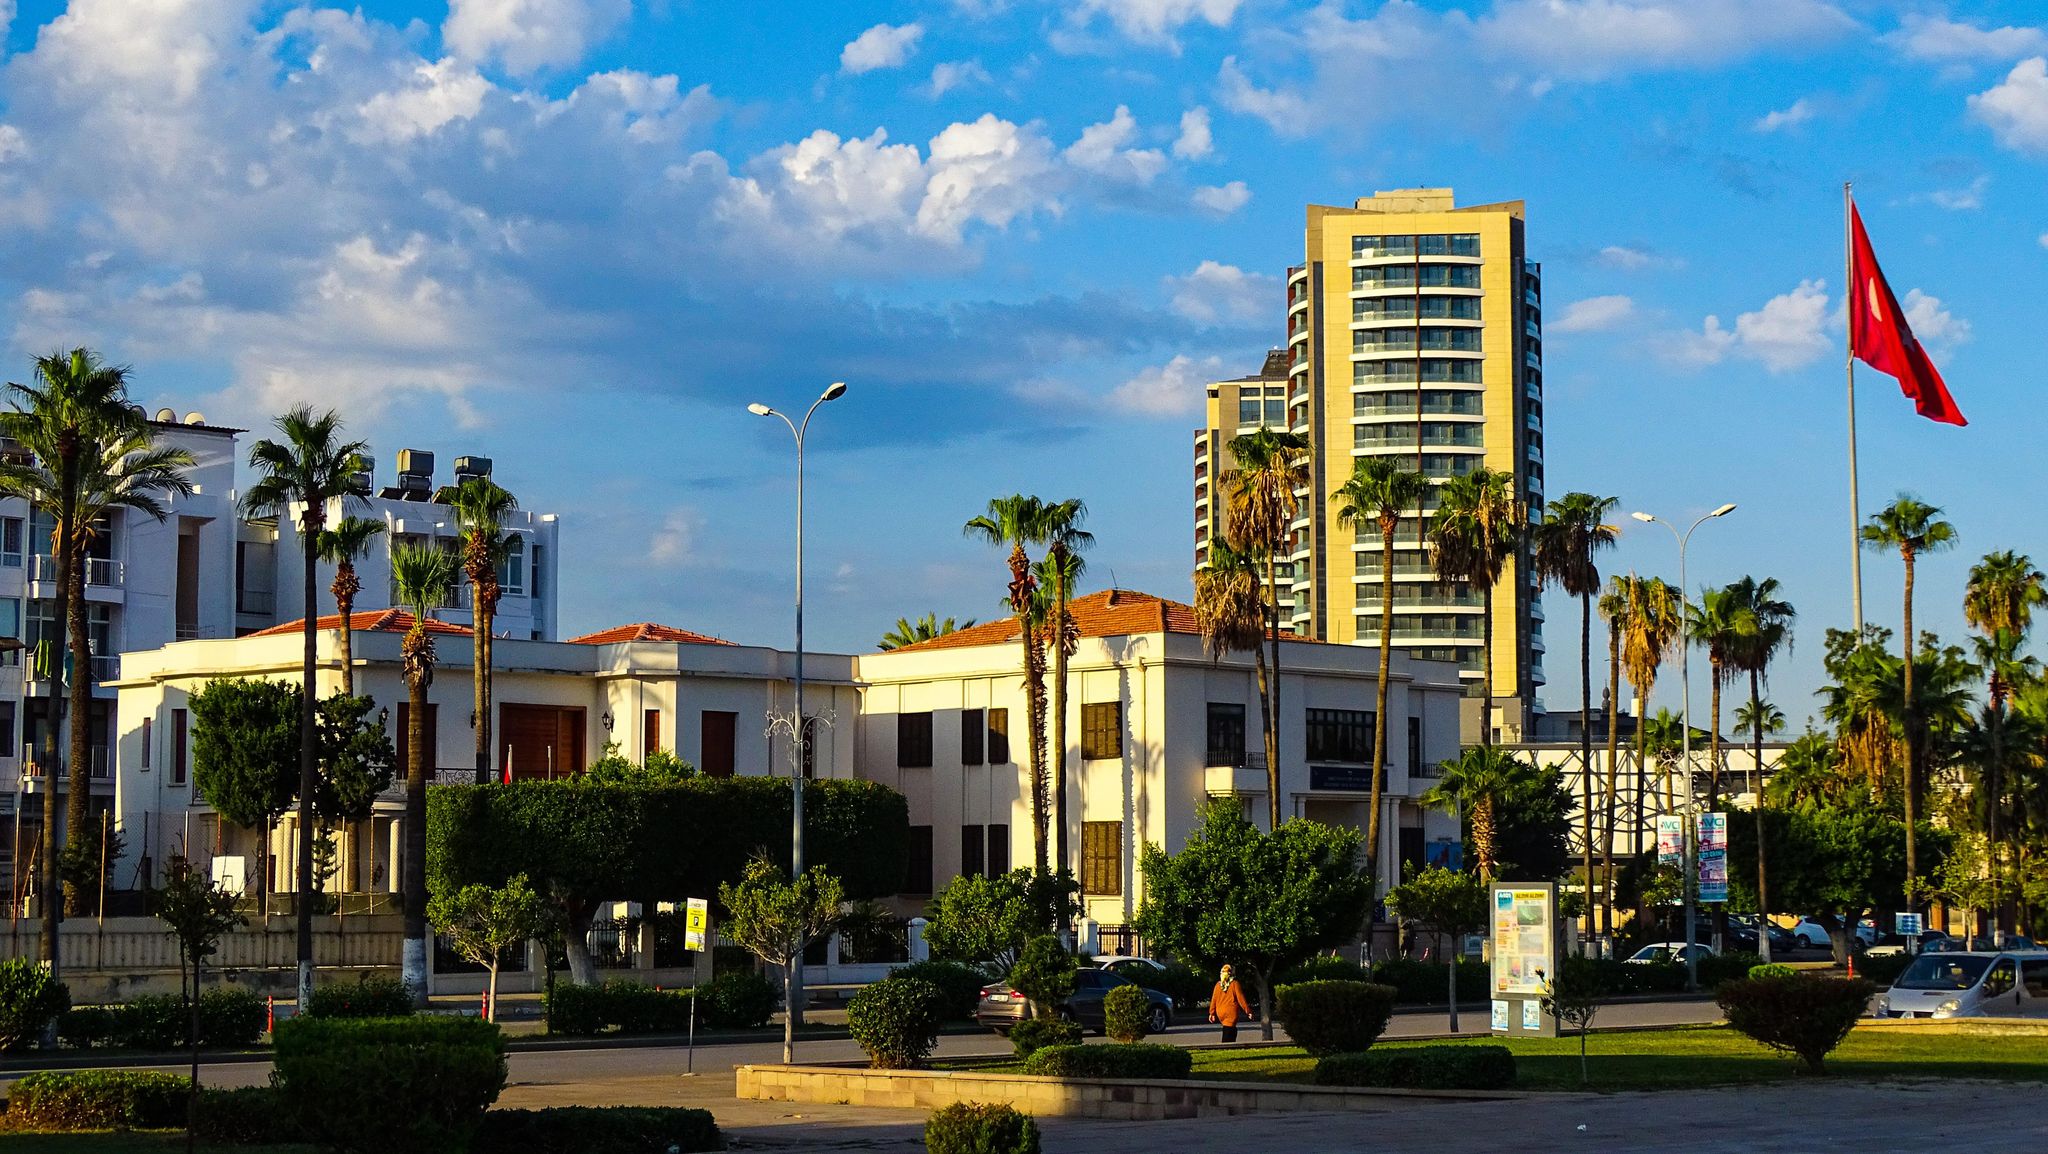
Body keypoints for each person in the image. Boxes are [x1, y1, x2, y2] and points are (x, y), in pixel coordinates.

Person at [1208, 963, 1252, 1043]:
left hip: (1220, 1012)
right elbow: (1241, 999)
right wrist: (1248, 1011)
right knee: (1229, 1031)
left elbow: (1214, 1000)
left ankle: (1228, 1045)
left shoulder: (1218, 985)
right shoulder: (1235, 984)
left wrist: (1212, 1013)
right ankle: (1227, 1046)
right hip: (1231, 1011)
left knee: (1228, 1028)